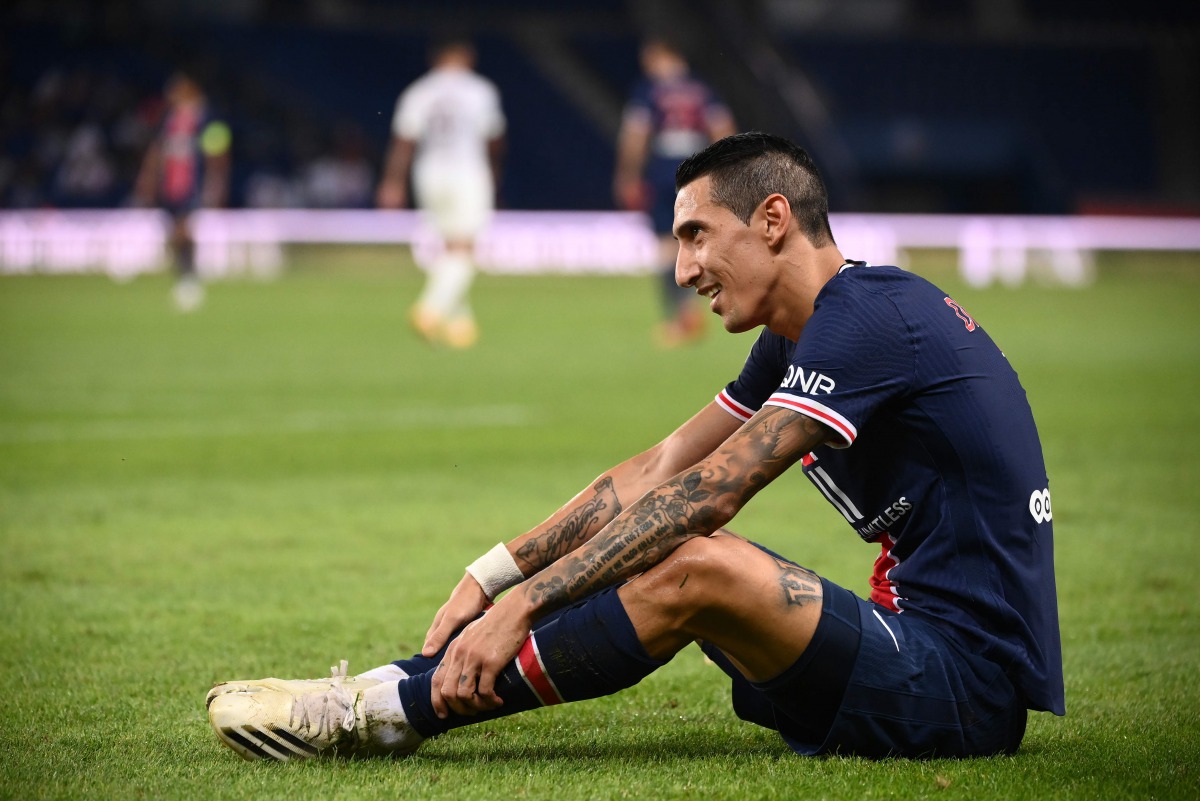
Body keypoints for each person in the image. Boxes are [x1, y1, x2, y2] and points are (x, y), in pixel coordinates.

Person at [207, 132, 1064, 761]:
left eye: (697, 234)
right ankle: (376, 688)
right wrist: (495, 572)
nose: (683, 269)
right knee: (670, 541)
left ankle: (388, 714)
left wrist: (526, 604)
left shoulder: (870, 320)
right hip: (902, 646)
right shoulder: (800, 334)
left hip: (963, 683)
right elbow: (660, 468)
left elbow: (710, 493)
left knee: (696, 558)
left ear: (772, 219)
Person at [376, 38, 505, 349]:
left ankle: (459, 322)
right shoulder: (479, 90)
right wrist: (494, 172)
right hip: (467, 171)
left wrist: (393, 181)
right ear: (466, 57)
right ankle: (431, 308)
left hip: (429, 172)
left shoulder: (419, 91)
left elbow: (404, 141)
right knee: (465, 248)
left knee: (449, 247)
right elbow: (494, 138)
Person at [614, 38, 736, 347]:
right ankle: (701, 308)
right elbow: (723, 129)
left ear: (661, 56)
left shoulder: (649, 90)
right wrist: (726, 169)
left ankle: (681, 317)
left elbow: (636, 134)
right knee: (698, 241)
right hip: (697, 171)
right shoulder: (702, 90)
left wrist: (628, 174)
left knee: (666, 246)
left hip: (663, 172)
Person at [133, 72, 230, 311]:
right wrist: (148, 181)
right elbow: (157, 153)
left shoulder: (205, 122)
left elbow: (217, 156)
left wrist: (216, 186)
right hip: (170, 187)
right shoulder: (168, 123)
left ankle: (189, 278)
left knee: (184, 231)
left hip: (192, 186)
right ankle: (184, 276)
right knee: (174, 233)